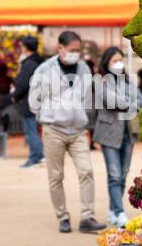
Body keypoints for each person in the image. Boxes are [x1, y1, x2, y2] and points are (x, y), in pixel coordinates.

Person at [29, 31, 105, 234]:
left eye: (78, 50)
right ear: (60, 48)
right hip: (53, 130)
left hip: (78, 130)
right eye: (72, 50)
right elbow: (33, 99)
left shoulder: (84, 68)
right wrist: (47, 118)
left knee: (86, 171)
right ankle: (62, 216)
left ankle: (87, 217)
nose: (75, 54)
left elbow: (88, 97)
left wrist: (83, 117)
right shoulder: (44, 70)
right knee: (56, 176)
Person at [94, 46, 142, 227]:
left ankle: (112, 210)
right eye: (114, 61)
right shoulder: (100, 80)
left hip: (128, 133)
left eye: (120, 60)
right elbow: (108, 100)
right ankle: (120, 212)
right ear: (106, 63)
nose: (118, 64)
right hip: (108, 133)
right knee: (114, 175)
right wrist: (127, 102)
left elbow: (140, 100)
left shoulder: (128, 81)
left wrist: (125, 101)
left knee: (122, 175)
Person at [11, 35, 45, 167]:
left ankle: (35, 156)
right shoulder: (38, 62)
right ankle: (36, 155)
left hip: (28, 101)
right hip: (35, 99)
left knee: (30, 130)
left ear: (25, 47)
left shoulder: (29, 64)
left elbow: (22, 83)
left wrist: (14, 95)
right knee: (32, 129)